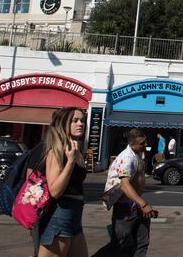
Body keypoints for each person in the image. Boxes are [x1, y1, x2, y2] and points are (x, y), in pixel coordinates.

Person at [29, 107, 88, 257]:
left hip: (74, 215)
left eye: (82, 120)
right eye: (74, 121)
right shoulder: (57, 149)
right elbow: (54, 190)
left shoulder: (75, 148)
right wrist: (70, 162)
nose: (80, 124)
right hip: (59, 215)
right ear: (64, 124)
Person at [102, 128, 158, 256]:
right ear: (132, 144)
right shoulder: (127, 157)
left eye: (145, 142)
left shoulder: (138, 153)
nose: (145, 145)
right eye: (142, 143)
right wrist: (143, 204)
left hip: (136, 206)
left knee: (141, 244)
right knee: (120, 245)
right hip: (125, 209)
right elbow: (125, 186)